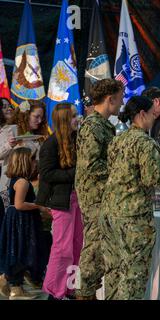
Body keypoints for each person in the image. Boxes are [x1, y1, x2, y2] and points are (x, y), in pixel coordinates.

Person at [101, 96, 160, 300]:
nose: (155, 118)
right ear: (142, 114)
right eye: (153, 114)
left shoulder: (117, 139)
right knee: (133, 275)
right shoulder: (145, 143)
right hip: (133, 216)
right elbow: (153, 179)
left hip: (110, 211)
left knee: (114, 271)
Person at [75, 79, 124, 300]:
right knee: (94, 247)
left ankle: (87, 292)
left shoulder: (102, 124)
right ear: (110, 99)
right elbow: (91, 164)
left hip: (100, 194)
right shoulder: (93, 126)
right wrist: (121, 169)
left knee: (97, 245)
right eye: (120, 98)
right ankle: (84, 293)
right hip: (94, 195)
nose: (122, 103)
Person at [36, 103, 83, 300]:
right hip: (61, 201)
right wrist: (75, 173)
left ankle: (71, 289)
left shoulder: (76, 140)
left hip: (77, 200)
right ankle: (54, 293)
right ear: (64, 120)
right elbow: (46, 174)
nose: (77, 118)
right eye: (73, 116)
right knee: (62, 249)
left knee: (77, 246)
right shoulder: (50, 144)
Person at [0, 147, 49, 299]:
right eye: (33, 159)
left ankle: (13, 284)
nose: (36, 163)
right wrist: (39, 206)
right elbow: (20, 204)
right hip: (21, 221)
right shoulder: (23, 182)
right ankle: (11, 283)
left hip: (18, 219)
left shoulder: (17, 180)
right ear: (25, 162)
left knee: (19, 250)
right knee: (22, 250)